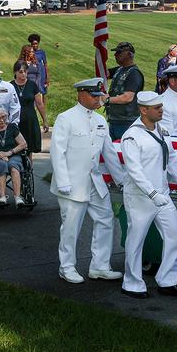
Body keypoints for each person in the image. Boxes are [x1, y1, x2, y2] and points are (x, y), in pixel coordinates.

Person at [50, 78, 125, 284]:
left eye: (99, 95)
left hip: (94, 181)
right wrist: (64, 182)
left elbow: (108, 153)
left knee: (106, 219)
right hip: (72, 184)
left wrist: (121, 179)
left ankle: (100, 266)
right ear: (81, 94)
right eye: (93, 96)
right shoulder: (66, 118)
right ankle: (66, 267)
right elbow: (58, 152)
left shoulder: (100, 120)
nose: (97, 100)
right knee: (71, 227)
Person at [120, 91, 177, 299]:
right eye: (157, 108)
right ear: (143, 110)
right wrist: (152, 194)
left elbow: (171, 157)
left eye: (161, 107)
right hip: (141, 197)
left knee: (174, 238)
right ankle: (132, 283)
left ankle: (168, 280)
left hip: (163, 194)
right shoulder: (132, 136)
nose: (162, 110)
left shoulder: (162, 130)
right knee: (136, 240)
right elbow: (134, 171)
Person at [106, 42, 144, 140]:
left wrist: (106, 100)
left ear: (129, 54)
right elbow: (104, 73)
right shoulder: (120, 69)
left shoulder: (134, 74)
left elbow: (127, 98)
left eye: (119, 53)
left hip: (126, 121)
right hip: (115, 119)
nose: (115, 55)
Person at [12, 59, 47, 154]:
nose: (24, 74)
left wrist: (45, 120)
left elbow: (40, 104)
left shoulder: (32, 85)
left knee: (29, 149)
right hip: (15, 120)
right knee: (16, 148)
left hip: (30, 120)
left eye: (25, 71)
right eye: (21, 72)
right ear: (15, 72)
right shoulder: (10, 86)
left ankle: (29, 168)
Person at [18, 44, 49, 121]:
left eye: (33, 52)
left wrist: (37, 84)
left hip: (36, 86)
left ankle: (36, 120)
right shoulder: (21, 63)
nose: (33, 53)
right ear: (26, 52)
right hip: (26, 87)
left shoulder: (35, 62)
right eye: (31, 52)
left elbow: (39, 74)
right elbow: (20, 75)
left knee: (37, 104)